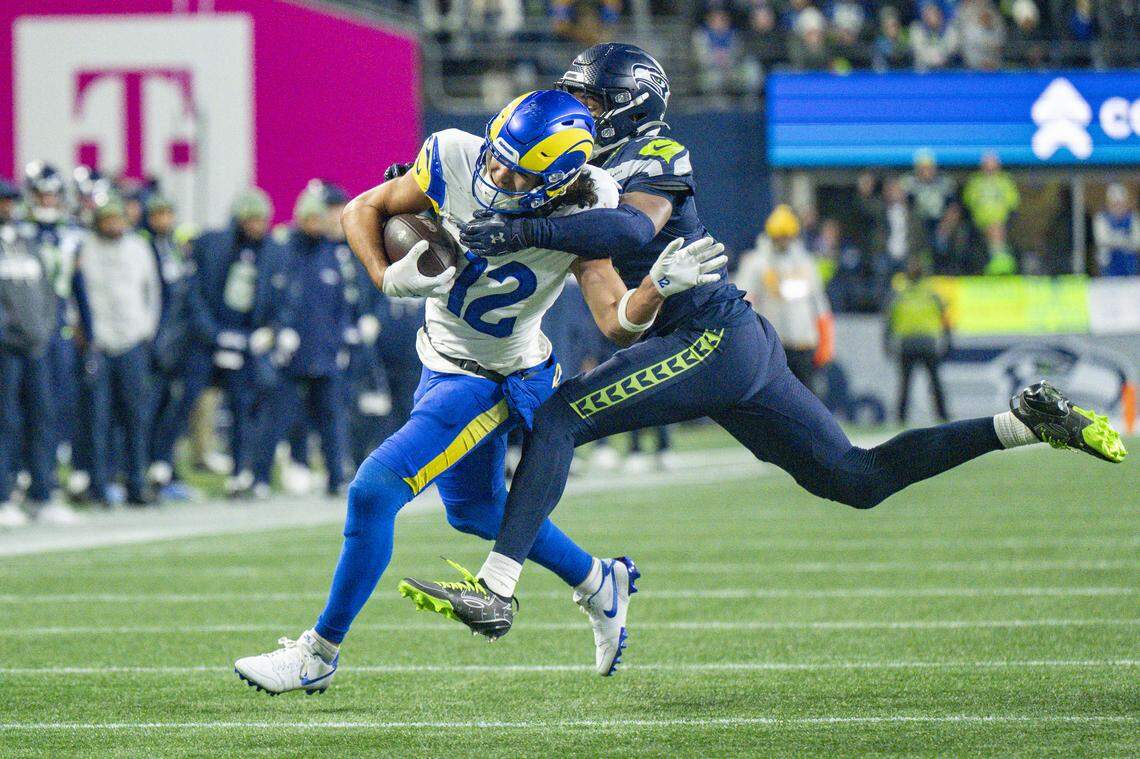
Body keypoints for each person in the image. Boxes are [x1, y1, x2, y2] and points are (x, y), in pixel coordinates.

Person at [400, 43, 1127, 666]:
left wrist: (524, 232)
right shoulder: (574, 163)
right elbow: (570, 255)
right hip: (721, 343)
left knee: (558, 418)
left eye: (589, 95)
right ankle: (1023, 422)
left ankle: (497, 588)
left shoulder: (654, 153)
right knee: (856, 477)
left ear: (625, 104)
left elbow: (624, 229)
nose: (575, 104)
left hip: (709, 338)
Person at [231, 90, 724, 694]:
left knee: (373, 491)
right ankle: (599, 580)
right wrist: (385, 278)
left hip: (492, 379)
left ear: (561, 180)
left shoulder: (585, 210)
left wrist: (653, 291)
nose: (496, 175)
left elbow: (615, 319)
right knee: (474, 511)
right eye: (498, 158)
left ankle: (318, 653)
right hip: (439, 357)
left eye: (517, 173)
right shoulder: (454, 155)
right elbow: (361, 208)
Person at [149, 189, 287, 497]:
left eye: (260, 219)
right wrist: (214, 334)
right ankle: (160, 462)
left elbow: (279, 298)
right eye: (251, 219)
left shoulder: (272, 252)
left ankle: (240, 472)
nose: (256, 225)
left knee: (241, 405)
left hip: (245, 339)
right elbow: (194, 295)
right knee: (186, 399)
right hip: (206, 339)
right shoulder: (212, 244)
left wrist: (269, 330)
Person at [252, 187, 351, 497]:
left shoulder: (333, 255)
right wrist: (276, 329)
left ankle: (336, 477)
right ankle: (259, 479)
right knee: (277, 418)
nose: (314, 224)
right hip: (289, 353)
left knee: (330, 419)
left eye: (318, 218)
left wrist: (342, 343)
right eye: (309, 218)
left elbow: (341, 306)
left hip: (324, 352)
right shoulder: (284, 253)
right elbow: (271, 298)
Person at [73, 195, 161, 506]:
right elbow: (74, 292)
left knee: (135, 417)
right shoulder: (85, 247)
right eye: (108, 220)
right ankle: (99, 484)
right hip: (98, 343)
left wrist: (146, 330)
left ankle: (136, 481)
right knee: (97, 418)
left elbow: (152, 292)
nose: (114, 225)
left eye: (118, 219)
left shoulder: (138, 247)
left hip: (132, 341)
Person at [0, 213, 64, 526]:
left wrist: (43, 331)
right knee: (5, 421)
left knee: (42, 417)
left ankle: (42, 493)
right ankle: (3, 495)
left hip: (35, 347)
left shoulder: (28, 244)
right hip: (6, 349)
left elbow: (47, 294)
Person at [736, 204, 833, 389]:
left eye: (786, 237)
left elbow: (818, 303)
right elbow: (744, 299)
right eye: (779, 238)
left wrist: (825, 339)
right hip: (774, 342)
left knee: (807, 395)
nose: (783, 242)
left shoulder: (805, 262)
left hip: (803, 340)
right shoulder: (757, 262)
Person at [141, 195, 200, 501]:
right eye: (158, 214)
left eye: (168, 213)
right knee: (149, 410)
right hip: (155, 342)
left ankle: (166, 466)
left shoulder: (175, 249)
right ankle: (145, 468)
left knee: (175, 410)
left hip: (180, 344)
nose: (164, 220)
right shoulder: (145, 248)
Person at [886, 257, 951, 423]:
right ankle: (942, 415)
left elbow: (889, 321)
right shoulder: (932, 293)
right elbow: (945, 319)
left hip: (907, 344)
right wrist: (948, 341)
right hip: (928, 343)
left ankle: (901, 418)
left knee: (905, 384)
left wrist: (887, 344)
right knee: (935, 383)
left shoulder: (899, 294)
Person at [963, 151, 1019, 274]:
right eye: (987, 165)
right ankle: (995, 262)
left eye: (992, 164)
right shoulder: (975, 181)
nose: (990, 168)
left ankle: (1002, 262)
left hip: (1001, 222)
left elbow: (1013, 203)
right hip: (979, 223)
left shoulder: (1005, 181)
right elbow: (968, 203)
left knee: (996, 230)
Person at [1092, 183, 1139, 277]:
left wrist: (1115, 239)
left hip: (1130, 269)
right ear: (1109, 204)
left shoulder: (1133, 218)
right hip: (1109, 269)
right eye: (1115, 204)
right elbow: (1103, 240)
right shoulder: (1101, 218)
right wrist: (1125, 241)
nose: (1118, 208)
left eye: (1121, 204)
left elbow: (1137, 241)